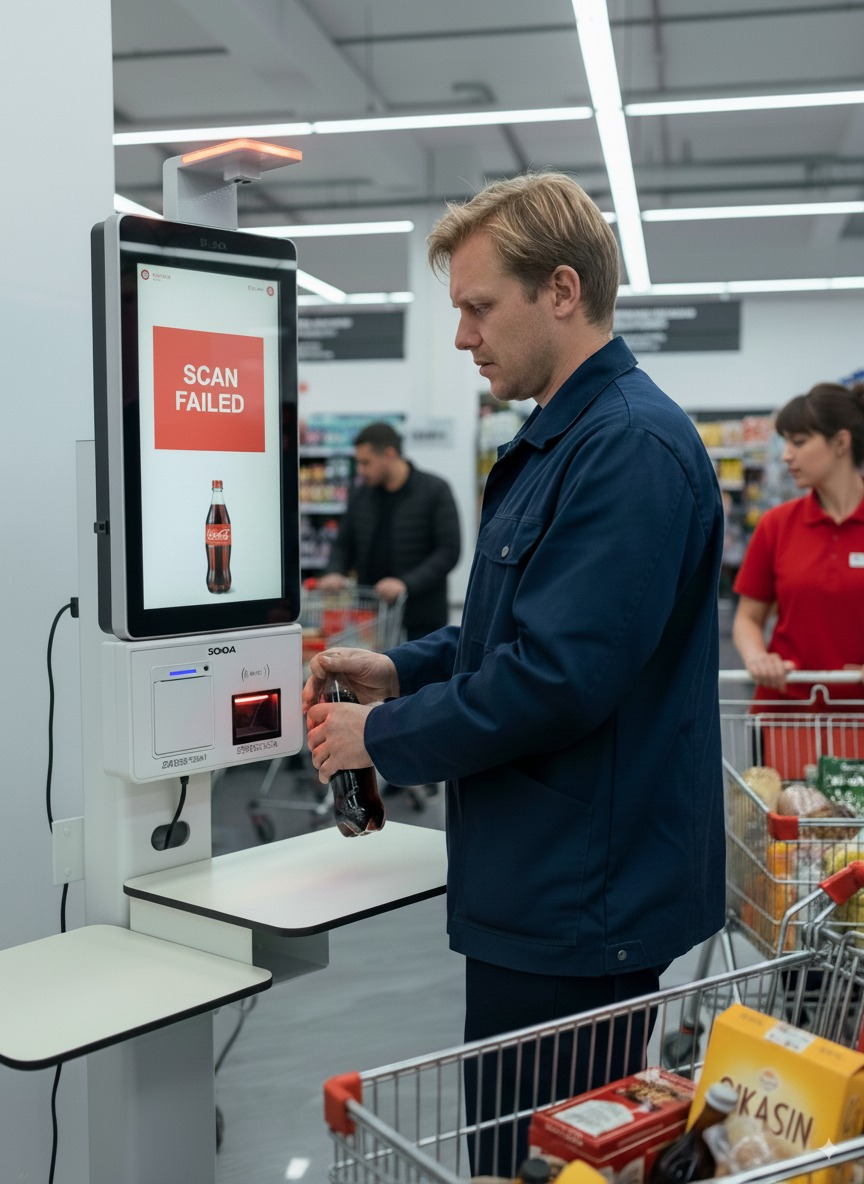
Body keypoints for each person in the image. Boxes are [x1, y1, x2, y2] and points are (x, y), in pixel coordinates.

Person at [303, 172, 726, 1175]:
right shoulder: (557, 441)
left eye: (478, 306)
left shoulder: (624, 446)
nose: (462, 336)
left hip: (582, 899)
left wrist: (379, 738)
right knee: (514, 1148)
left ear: (563, 291)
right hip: (545, 881)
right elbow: (512, 636)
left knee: (537, 1160)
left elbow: (554, 679)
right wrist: (399, 671)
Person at [732, 381, 864, 706]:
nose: (787, 455)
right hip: (787, 715)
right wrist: (758, 658)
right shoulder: (775, 525)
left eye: (799, 442)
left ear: (841, 442)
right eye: (785, 443)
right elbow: (748, 618)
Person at [318, 421, 461, 642]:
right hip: (372, 616)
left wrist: (406, 583)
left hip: (422, 617)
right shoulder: (360, 495)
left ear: (390, 454)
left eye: (366, 463)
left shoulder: (435, 491)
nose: (361, 470)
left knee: (424, 676)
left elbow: (449, 552)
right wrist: (335, 571)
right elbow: (344, 544)